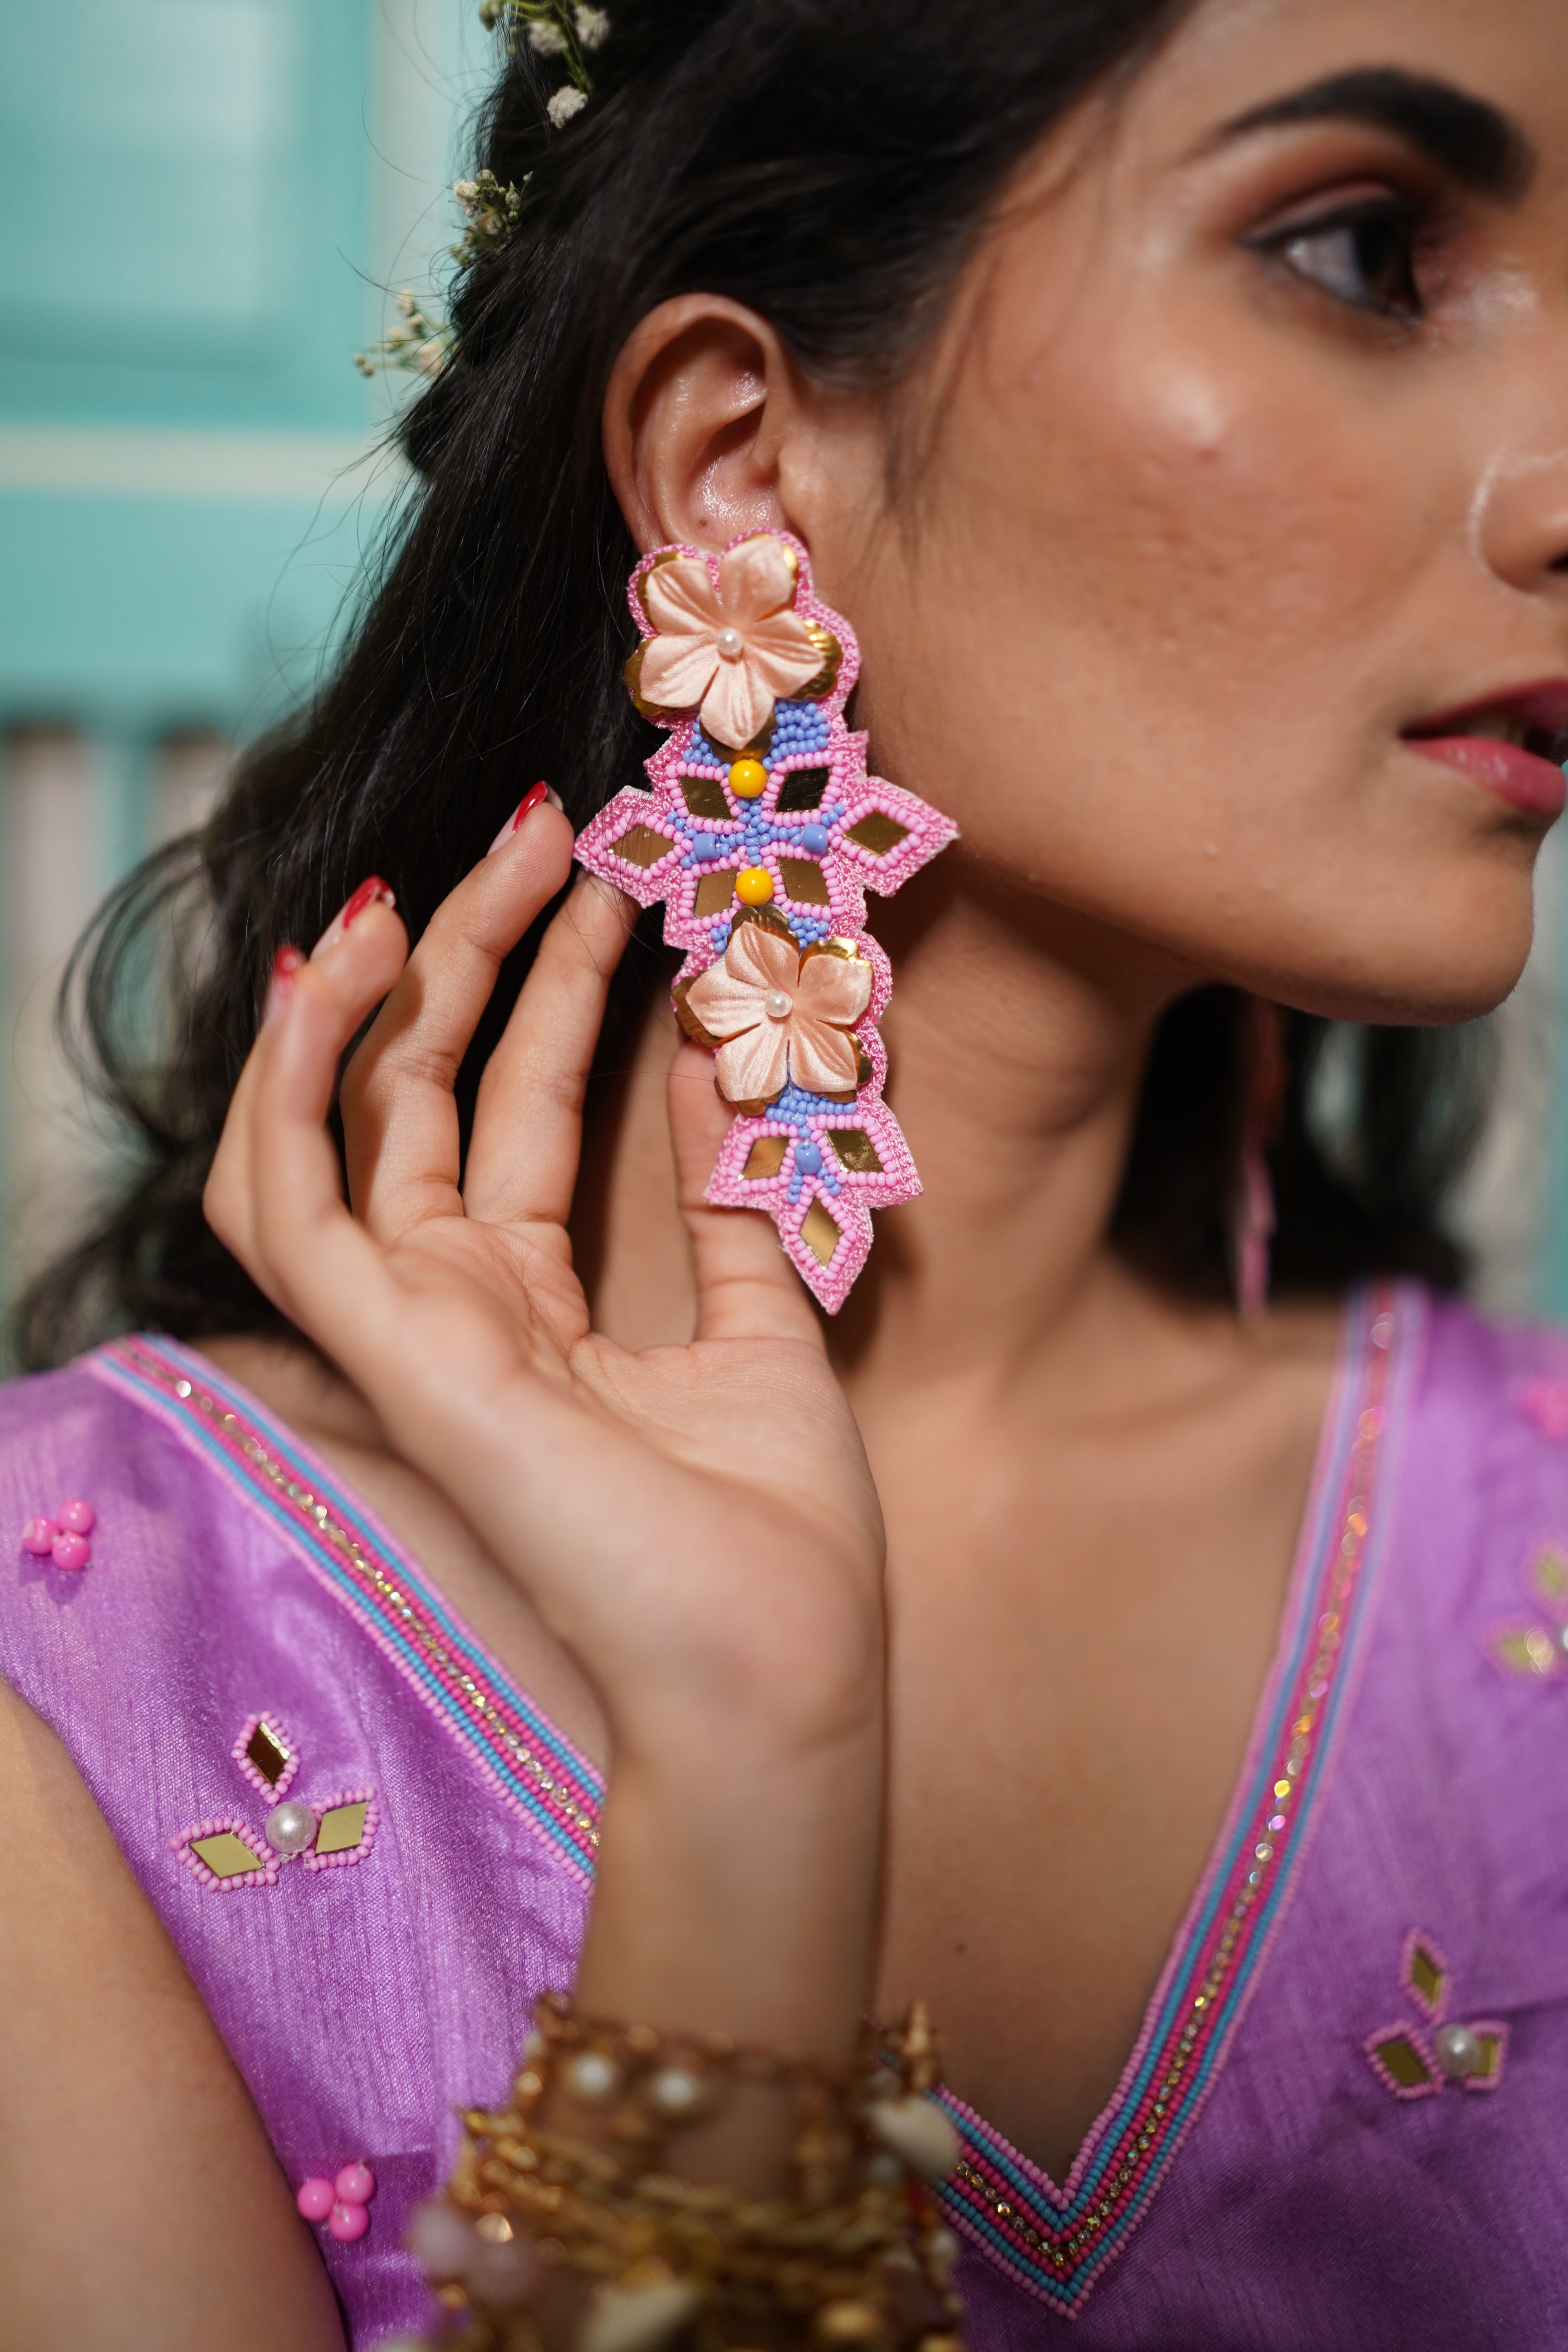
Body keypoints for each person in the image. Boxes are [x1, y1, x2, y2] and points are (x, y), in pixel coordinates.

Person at [5, 0, 1568, 2344]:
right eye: (1363, 254)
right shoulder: (74, 1678)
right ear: (741, 468)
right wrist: (746, 1775)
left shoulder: (1527, 1546)